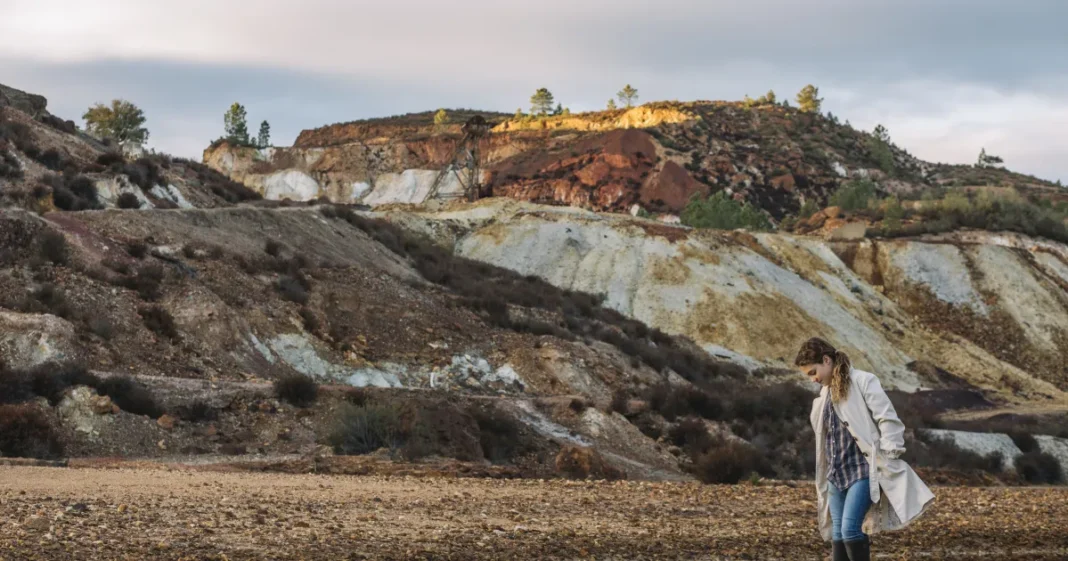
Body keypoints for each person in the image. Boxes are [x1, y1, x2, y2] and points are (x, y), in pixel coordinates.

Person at [795, 338, 935, 561]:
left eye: (814, 372)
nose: (813, 379)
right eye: (809, 375)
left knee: (851, 530)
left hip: (862, 470)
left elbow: (887, 418)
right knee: (838, 535)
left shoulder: (863, 381)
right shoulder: (823, 396)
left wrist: (889, 455)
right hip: (835, 473)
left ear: (826, 360)